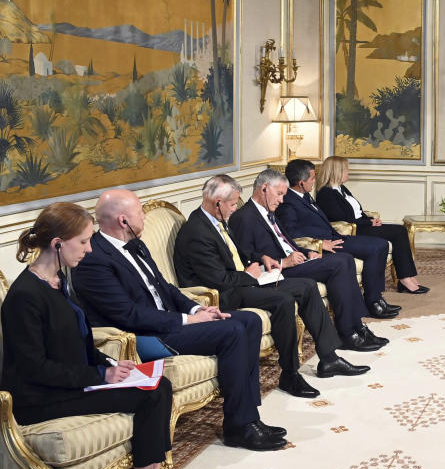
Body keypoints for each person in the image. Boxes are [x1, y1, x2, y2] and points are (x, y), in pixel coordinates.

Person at [0, 203, 188, 469]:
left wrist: (112, 363)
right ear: (58, 243)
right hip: (40, 397)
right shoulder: (25, 296)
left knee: (160, 384)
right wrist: (101, 374)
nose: (89, 250)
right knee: (149, 395)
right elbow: (35, 368)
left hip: (68, 383)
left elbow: (80, 341)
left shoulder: (60, 281)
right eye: (84, 242)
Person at [72, 189, 287, 451]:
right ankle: (239, 427)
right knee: (232, 331)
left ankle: (249, 416)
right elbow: (127, 314)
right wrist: (186, 320)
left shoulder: (136, 243)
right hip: (145, 335)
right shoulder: (93, 260)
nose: (145, 218)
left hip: (170, 323)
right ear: (123, 220)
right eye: (140, 212)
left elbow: (166, 287)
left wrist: (198, 311)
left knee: (249, 321)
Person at [173, 174, 371, 401]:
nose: (235, 208)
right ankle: (290, 373)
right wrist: (251, 276)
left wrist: (262, 258)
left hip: (239, 281)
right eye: (232, 204)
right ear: (217, 203)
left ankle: (328, 357)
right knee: (283, 301)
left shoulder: (215, 221)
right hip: (223, 295)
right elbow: (218, 281)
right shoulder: (197, 232)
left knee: (306, 287)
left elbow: (236, 253)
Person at [228, 169, 393, 343]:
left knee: (344, 260)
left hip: (296, 261)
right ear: (264, 189)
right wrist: (283, 261)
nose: (282, 200)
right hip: (279, 271)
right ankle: (348, 332)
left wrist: (308, 252)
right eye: (279, 194)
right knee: (341, 262)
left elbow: (287, 242)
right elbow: (246, 257)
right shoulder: (243, 217)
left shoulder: (269, 212)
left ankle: (356, 327)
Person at [276, 159, 399, 318]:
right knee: (375, 248)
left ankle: (375, 298)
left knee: (382, 245)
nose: (315, 181)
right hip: (328, 244)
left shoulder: (304, 195)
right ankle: (373, 303)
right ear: (301, 182)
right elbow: (291, 233)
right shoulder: (288, 202)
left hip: (335, 236)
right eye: (312, 178)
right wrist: (320, 244)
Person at [315, 156, 428, 294]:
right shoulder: (326, 194)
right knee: (399, 232)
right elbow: (341, 218)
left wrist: (370, 219)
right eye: (346, 169)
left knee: (400, 230)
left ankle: (408, 276)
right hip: (354, 231)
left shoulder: (341, 189)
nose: (348, 172)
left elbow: (357, 212)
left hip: (363, 225)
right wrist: (368, 222)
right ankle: (404, 279)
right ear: (336, 171)